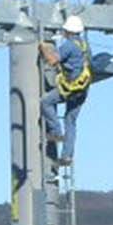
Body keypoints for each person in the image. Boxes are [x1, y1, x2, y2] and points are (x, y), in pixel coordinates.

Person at [40, 16, 92, 167]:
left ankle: (56, 132)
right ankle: (67, 156)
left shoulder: (69, 45)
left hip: (69, 89)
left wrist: (43, 47)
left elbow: (52, 60)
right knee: (71, 121)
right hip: (83, 89)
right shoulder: (85, 45)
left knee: (45, 102)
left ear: (68, 31)